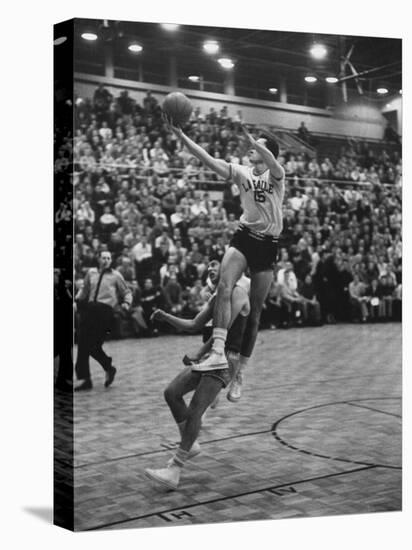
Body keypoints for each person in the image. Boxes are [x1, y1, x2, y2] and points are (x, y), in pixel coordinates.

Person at [167, 118, 284, 377]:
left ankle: (239, 371)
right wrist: (181, 136)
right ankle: (217, 351)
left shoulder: (276, 176)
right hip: (244, 236)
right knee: (224, 285)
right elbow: (208, 159)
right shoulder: (241, 171)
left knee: (254, 315)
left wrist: (260, 144)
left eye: (258, 147)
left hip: (267, 245)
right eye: (253, 145)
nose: (251, 148)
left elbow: (274, 162)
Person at [144, 260, 250, 490]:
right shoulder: (217, 298)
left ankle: (175, 469)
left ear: (228, 270)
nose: (211, 268)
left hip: (226, 359)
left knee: (195, 410)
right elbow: (193, 324)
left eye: (216, 265)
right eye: (208, 266)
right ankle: (189, 444)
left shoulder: (239, 292)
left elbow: (224, 331)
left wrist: (198, 353)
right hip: (210, 357)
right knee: (171, 392)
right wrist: (166, 317)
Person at [74, 251, 132, 391]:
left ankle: (108, 366)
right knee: (82, 344)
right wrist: (77, 300)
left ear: (111, 260)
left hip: (105, 312)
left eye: (108, 258)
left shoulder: (116, 275)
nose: (106, 260)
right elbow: (85, 289)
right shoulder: (91, 273)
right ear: (98, 259)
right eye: (103, 258)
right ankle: (85, 379)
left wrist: (126, 304)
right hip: (89, 310)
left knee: (93, 346)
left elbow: (127, 292)